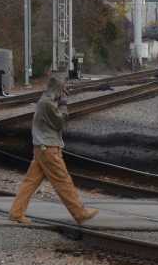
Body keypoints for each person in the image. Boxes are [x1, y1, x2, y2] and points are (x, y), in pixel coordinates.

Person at [8, 71, 98, 225]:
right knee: (63, 181)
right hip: (48, 148)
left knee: (30, 182)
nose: (65, 91)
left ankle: (16, 213)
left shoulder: (46, 101)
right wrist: (64, 104)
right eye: (64, 88)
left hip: (42, 147)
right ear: (58, 88)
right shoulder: (47, 104)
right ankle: (80, 213)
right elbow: (60, 123)